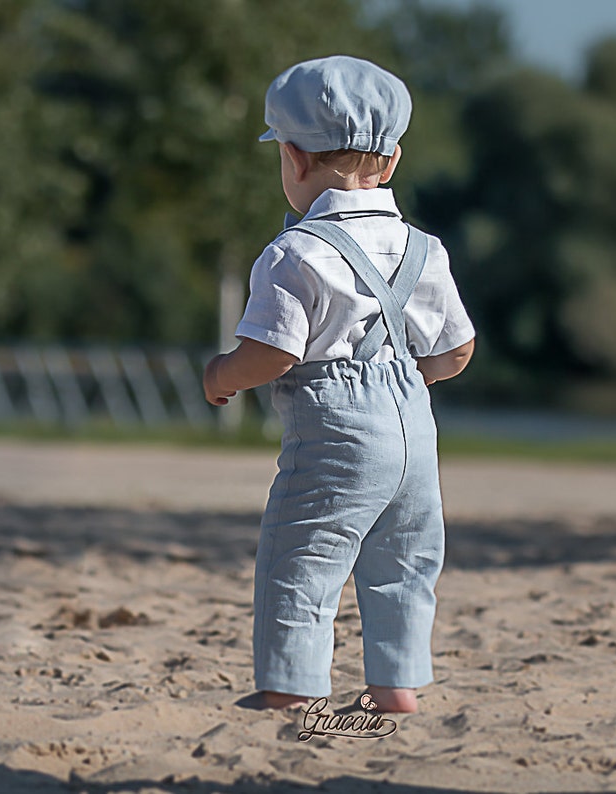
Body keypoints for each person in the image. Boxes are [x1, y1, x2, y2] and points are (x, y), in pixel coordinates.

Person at [203, 55, 475, 713]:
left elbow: (272, 351)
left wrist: (223, 375)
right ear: (392, 161)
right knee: (405, 565)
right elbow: (458, 349)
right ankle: (396, 689)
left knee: (302, 561)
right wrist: (411, 376)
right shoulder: (425, 249)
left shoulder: (294, 252)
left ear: (293, 160)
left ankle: (289, 694)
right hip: (413, 424)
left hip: (337, 429)